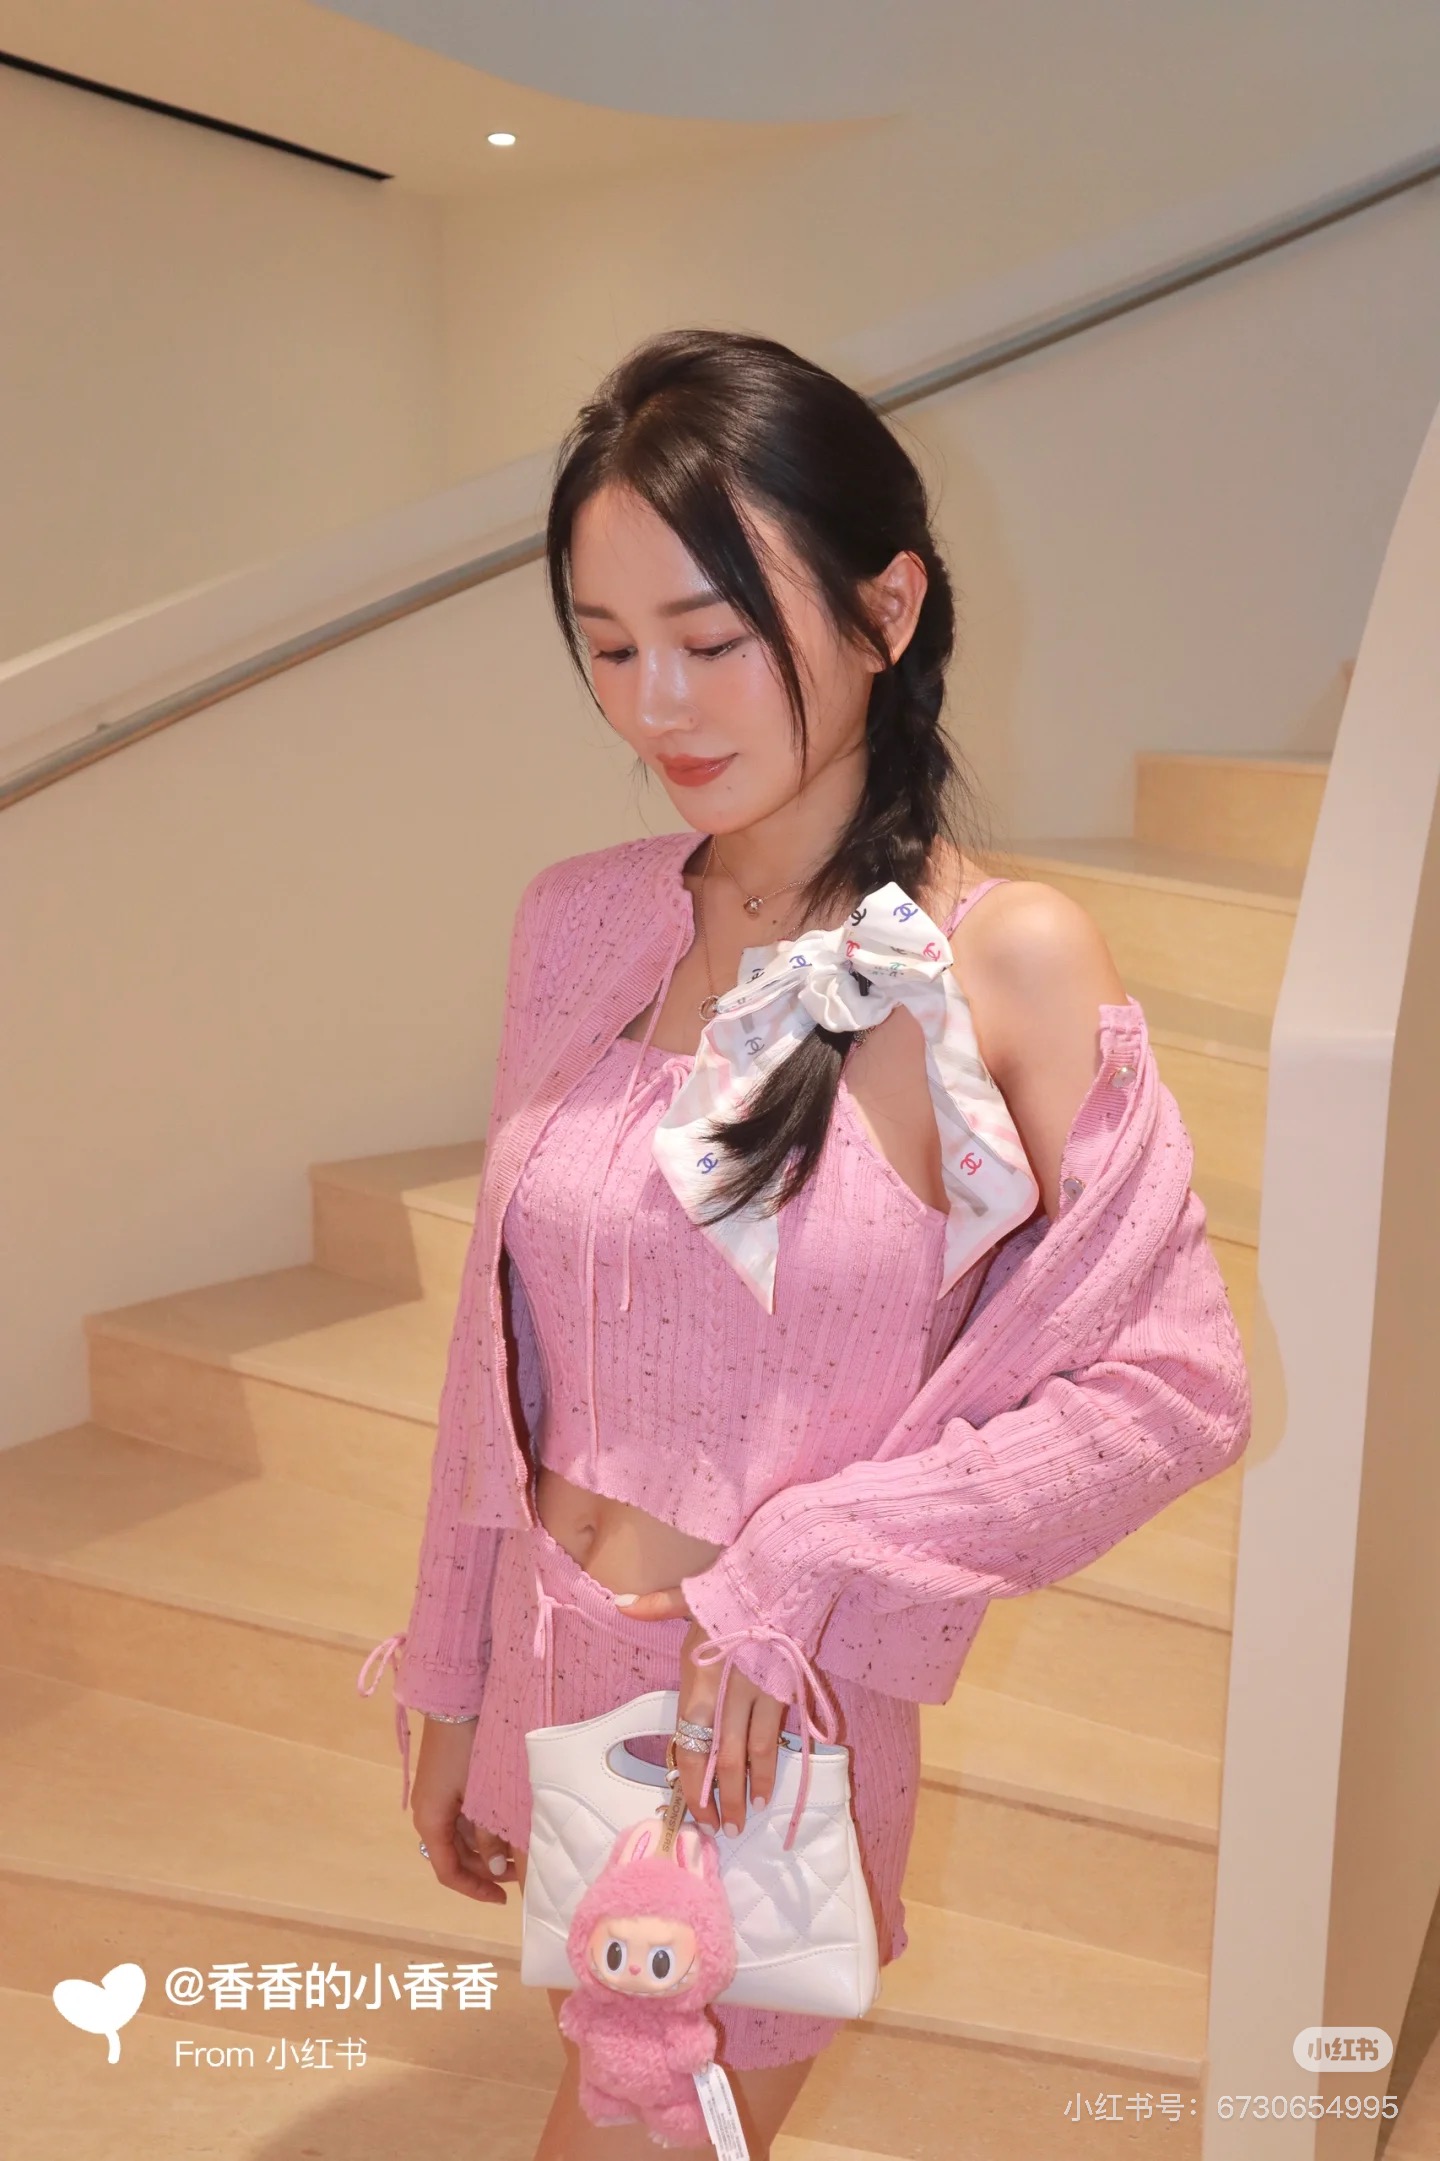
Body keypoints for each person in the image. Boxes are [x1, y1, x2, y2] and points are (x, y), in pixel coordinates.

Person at [359, 327, 1251, 2159]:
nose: (659, 706)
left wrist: (813, 1558)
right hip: (555, 1664)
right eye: (610, 647)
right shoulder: (577, 923)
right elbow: (494, 1350)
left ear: (886, 607)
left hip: (762, 1720)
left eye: (713, 638)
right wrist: (449, 1669)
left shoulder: (1002, 963)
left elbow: (1174, 1384)